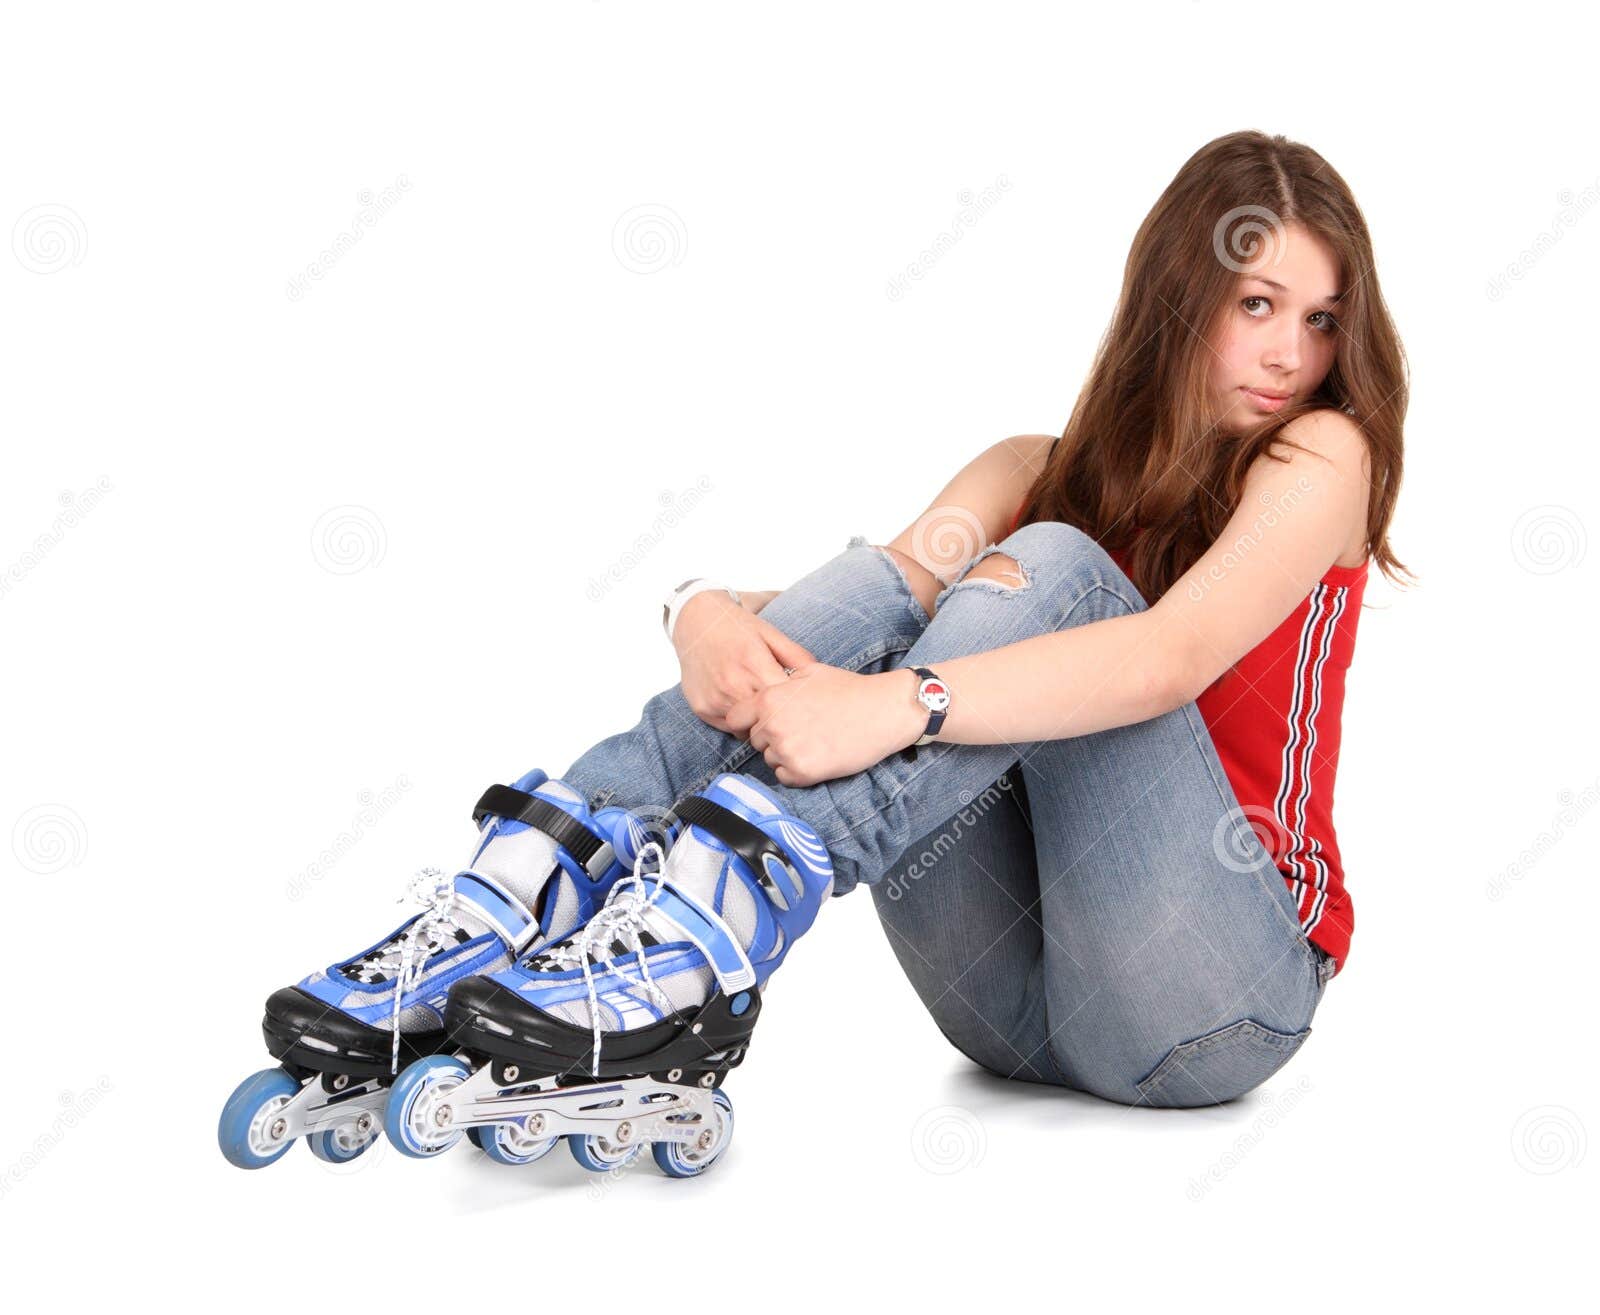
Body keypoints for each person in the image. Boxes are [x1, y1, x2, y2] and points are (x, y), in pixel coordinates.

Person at [221, 129, 1412, 1173]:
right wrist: (700, 608)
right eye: (1254, 304)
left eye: (1318, 320)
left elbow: (1166, 656)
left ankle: (711, 927)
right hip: (1005, 1013)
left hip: (1212, 999)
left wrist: (908, 704)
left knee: (1049, 569)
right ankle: (528, 885)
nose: (1288, 355)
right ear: (1174, 299)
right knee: (914, 582)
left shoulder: (1320, 459)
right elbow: (868, 598)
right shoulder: (1031, 465)